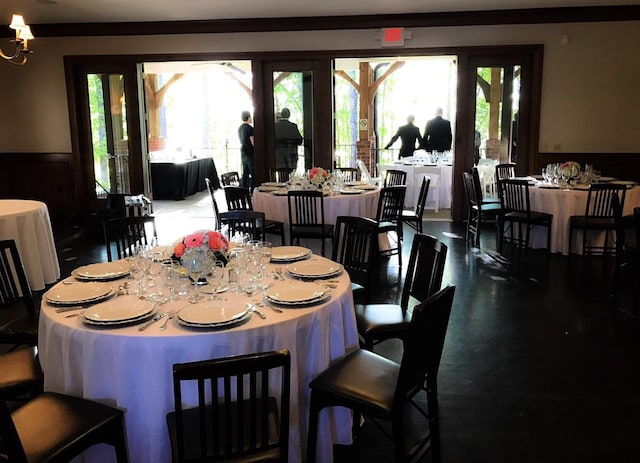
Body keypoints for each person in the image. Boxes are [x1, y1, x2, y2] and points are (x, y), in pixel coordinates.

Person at [238, 110, 255, 190]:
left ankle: (243, 191)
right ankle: (252, 192)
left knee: (245, 174)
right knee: (253, 173)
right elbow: (253, 142)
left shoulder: (240, 128)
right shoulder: (250, 129)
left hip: (243, 152)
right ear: (248, 117)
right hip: (250, 153)